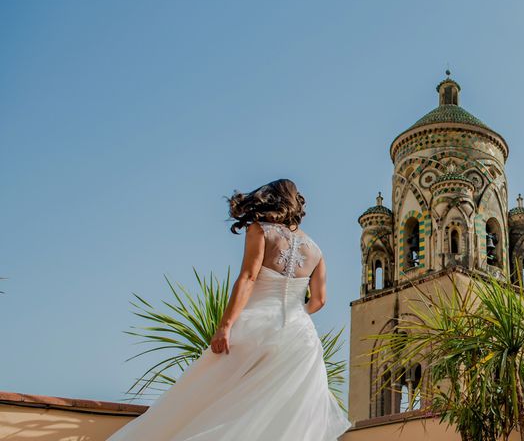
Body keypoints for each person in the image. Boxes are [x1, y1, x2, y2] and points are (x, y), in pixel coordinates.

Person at [106, 178, 352, 440]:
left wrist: (224, 327)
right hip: (299, 337)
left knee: (217, 397)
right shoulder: (317, 251)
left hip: (255, 327)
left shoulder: (260, 230)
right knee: (280, 411)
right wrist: (295, 314)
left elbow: (248, 277)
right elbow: (319, 301)